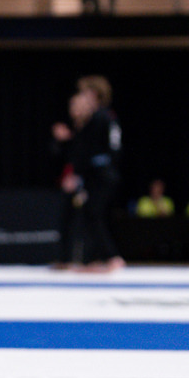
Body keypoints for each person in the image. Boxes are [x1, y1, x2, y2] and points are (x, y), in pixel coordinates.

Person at [51, 76, 124, 271]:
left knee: (93, 213)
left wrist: (79, 175)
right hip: (98, 174)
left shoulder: (99, 117)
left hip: (100, 175)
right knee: (90, 214)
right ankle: (97, 259)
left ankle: (109, 257)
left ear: (93, 95)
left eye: (84, 94)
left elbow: (89, 151)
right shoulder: (102, 117)